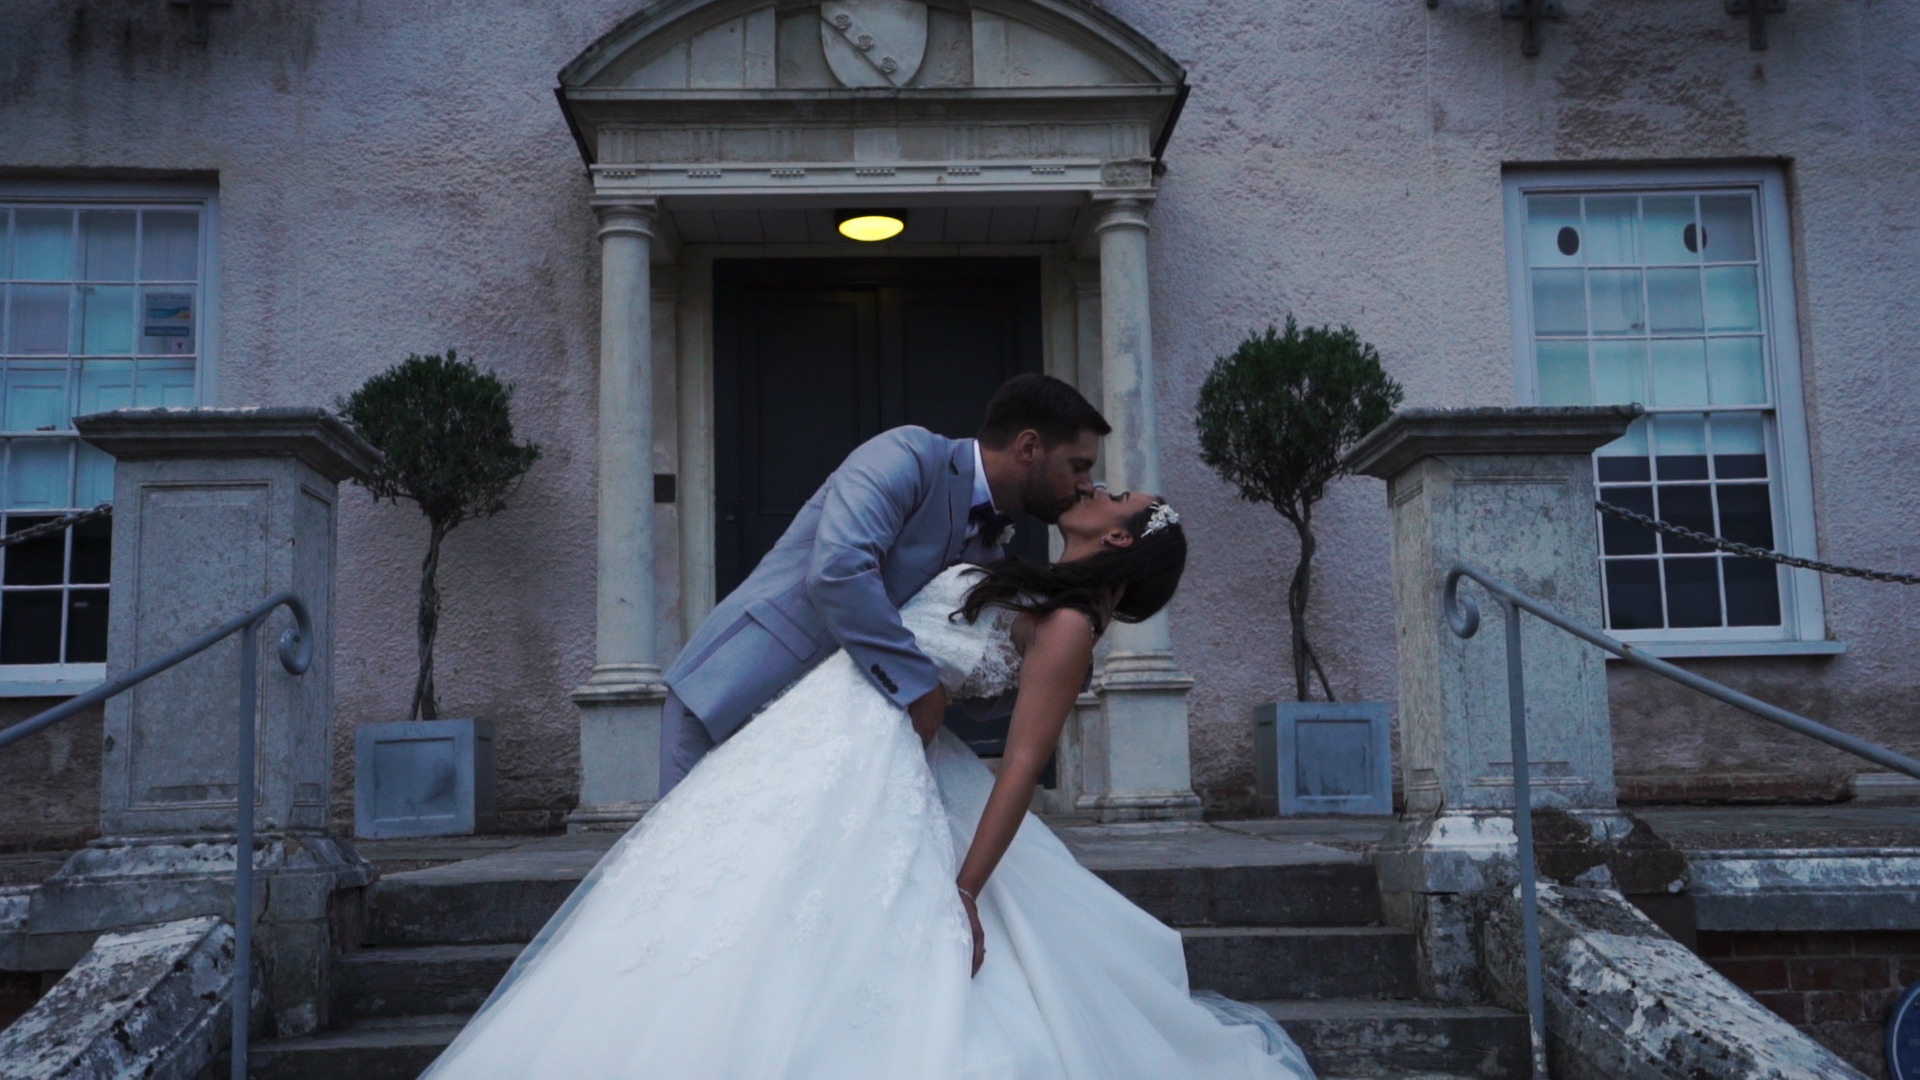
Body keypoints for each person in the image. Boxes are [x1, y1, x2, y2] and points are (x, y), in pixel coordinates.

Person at [421, 491, 1316, 1079]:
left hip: (884, 764)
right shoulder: (1027, 577)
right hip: (814, 737)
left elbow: (1021, 764)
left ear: (1120, 536)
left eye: (1114, 493)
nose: (1092, 486)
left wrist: (965, 889)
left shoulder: (1073, 625)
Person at [656, 372, 1109, 796]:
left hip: (822, 736)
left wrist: (1077, 636)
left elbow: (980, 693)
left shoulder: (990, 552)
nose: (1088, 485)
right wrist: (918, 685)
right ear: (1029, 447)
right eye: (1079, 465)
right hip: (735, 691)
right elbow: (839, 572)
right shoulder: (907, 454)